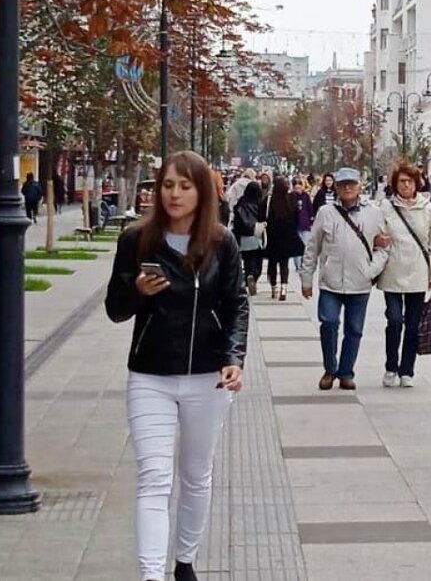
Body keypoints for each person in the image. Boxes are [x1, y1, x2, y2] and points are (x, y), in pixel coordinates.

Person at [104, 150, 248, 581]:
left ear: (202, 192)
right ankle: (152, 574)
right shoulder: (136, 240)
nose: (174, 194)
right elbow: (114, 309)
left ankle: (184, 560)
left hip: (208, 377)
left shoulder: (222, 242)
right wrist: (138, 291)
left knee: (196, 475)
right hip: (151, 375)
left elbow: (236, 304)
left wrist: (233, 358)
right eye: (167, 185)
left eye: (185, 186)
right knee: (154, 476)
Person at [301, 168, 390, 391]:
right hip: (330, 282)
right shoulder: (326, 212)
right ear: (336, 188)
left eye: (351, 184)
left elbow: (384, 247)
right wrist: (306, 278)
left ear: (360, 185)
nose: (347, 188)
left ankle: (346, 372)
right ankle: (330, 368)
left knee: (354, 329)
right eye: (342, 185)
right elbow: (313, 246)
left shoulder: (374, 213)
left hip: (360, 283)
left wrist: (372, 269)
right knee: (329, 323)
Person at [379, 163, 431, 388]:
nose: (406, 185)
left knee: (413, 324)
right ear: (395, 184)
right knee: (395, 320)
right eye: (402, 181)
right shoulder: (385, 207)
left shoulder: (428, 208)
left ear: (417, 183)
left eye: (410, 181)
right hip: (392, 272)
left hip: (418, 273)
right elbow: (376, 236)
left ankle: (407, 370)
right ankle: (390, 365)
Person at [264, 176, 304, 302]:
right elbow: (297, 216)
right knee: (284, 263)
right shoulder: (292, 198)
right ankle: (284, 288)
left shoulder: (269, 199)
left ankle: (273, 288)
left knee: (272, 262)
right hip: (287, 236)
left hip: (272, 236)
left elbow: (262, 215)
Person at [231, 181, 266, 296]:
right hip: (257, 234)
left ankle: (248, 276)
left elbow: (236, 220)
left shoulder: (241, 202)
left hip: (244, 237)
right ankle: (254, 276)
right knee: (258, 260)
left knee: (247, 260)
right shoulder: (260, 203)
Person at [291, 178, 315, 271]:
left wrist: (311, 219)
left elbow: (310, 208)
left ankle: (303, 263)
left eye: (299, 186)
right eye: (296, 187)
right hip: (294, 224)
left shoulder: (306, 196)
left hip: (305, 224)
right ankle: (297, 265)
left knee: (305, 245)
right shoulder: (291, 196)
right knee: (296, 246)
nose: (298, 189)